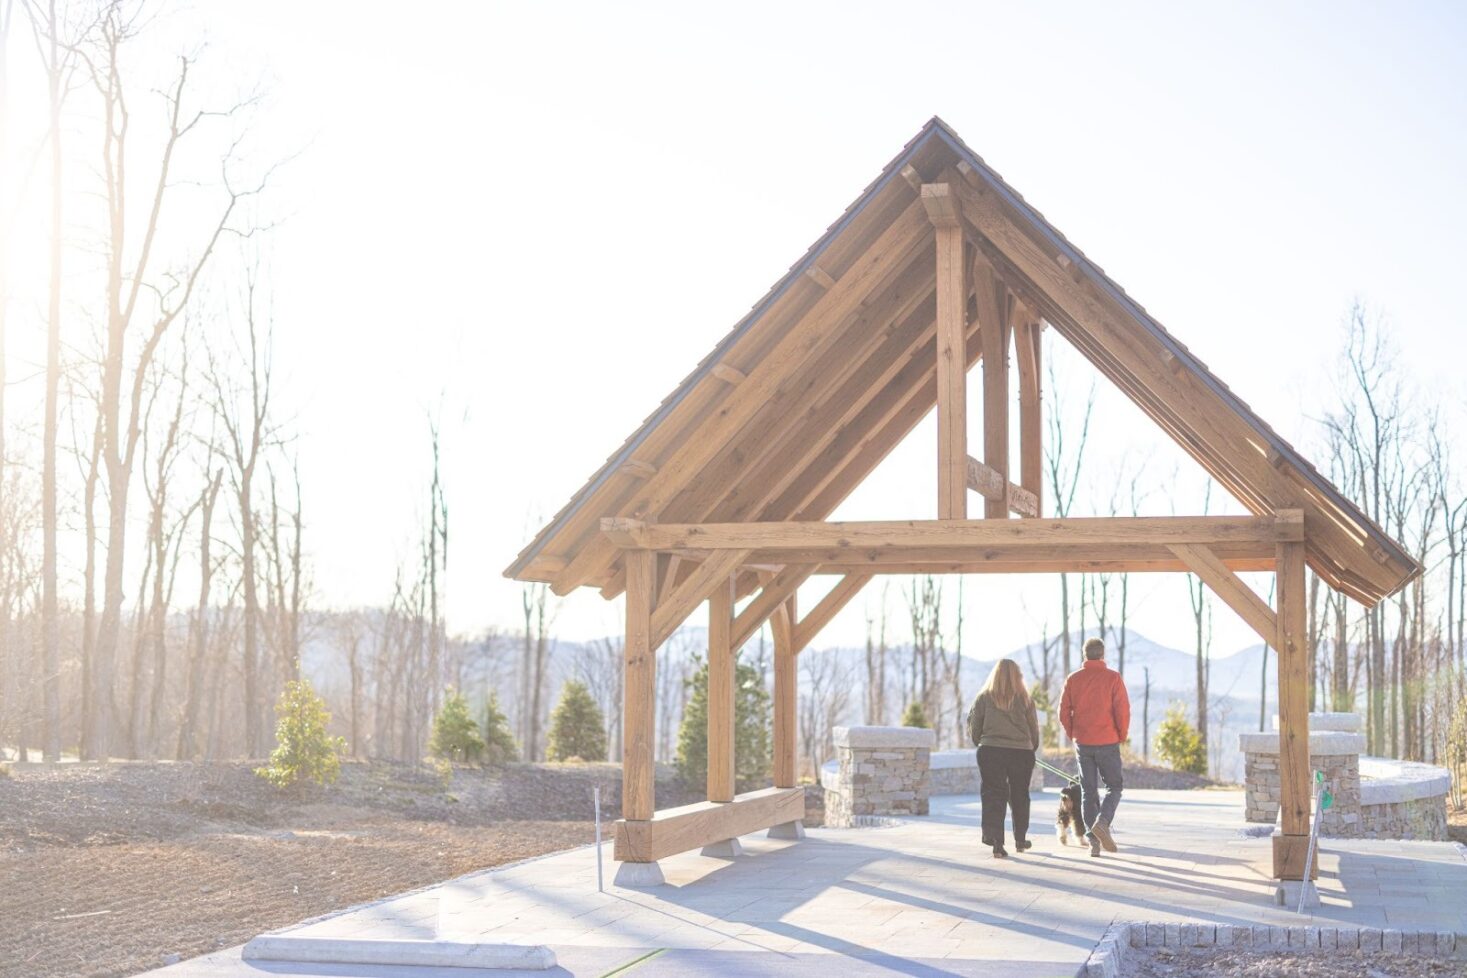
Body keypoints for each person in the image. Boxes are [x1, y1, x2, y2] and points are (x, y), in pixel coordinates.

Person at [1058, 636, 1131, 857]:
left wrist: (1073, 733)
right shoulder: (1113, 678)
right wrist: (1121, 735)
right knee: (1114, 787)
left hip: (1083, 742)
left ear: (1085, 655)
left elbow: (1063, 712)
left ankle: (1093, 842)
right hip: (1108, 741)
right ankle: (1103, 822)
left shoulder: (1073, 679)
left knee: (1088, 792)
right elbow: (1122, 711)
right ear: (1102, 654)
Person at [967, 659, 1040, 859]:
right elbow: (1034, 729)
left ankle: (996, 842)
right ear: (1017, 676)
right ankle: (1020, 839)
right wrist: (1031, 747)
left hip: (991, 752)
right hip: (1021, 753)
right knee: (1020, 795)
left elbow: (974, 727)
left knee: (993, 795)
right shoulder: (1025, 699)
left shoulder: (983, 698)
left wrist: (982, 742)